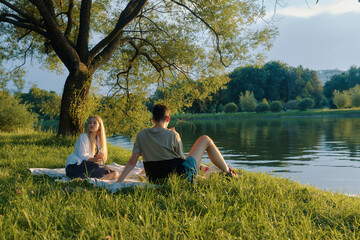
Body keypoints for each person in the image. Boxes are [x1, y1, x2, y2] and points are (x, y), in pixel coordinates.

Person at [116, 104, 238, 184]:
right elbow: (182, 159)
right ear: (168, 119)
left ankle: (221, 171)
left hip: (155, 179)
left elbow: (132, 162)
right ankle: (228, 173)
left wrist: (119, 181)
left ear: (153, 120)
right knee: (205, 139)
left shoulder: (141, 135)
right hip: (179, 178)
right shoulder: (173, 135)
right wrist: (175, 136)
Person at [65, 115, 119, 180]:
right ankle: (95, 177)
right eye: (90, 122)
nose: (91, 124)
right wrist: (95, 159)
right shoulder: (84, 137)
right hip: (75, 166)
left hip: (88, 166)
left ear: (99, 126)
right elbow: (82, 156)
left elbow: (98, 160)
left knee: (114, 172)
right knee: (104, 170)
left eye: (94, 123)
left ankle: (90, 178)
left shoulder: (99, 140)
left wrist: (99, 158)